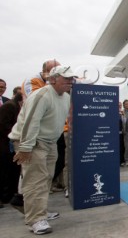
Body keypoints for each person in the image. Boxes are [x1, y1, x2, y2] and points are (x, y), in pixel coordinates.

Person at [8, 65, 76, 235]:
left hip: (50, 142)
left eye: (70, 78)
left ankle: (41, 211)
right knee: (35, 180)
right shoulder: (41, 95)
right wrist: (25, 147)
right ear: (53, 79)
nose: (69, 81)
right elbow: (31, 121)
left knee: (46, 178)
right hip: (33, 142)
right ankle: (35, 219)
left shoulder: (66, 97)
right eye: (65, 78)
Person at [0, 92, 23, 208]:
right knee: (5, 171)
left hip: (10, 143)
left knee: (13, 170)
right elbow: (2, 124)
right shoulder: (10, 106)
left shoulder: (14, 105)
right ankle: (5, 197)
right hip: (5, 143)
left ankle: (9, 195)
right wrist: (17, 134)